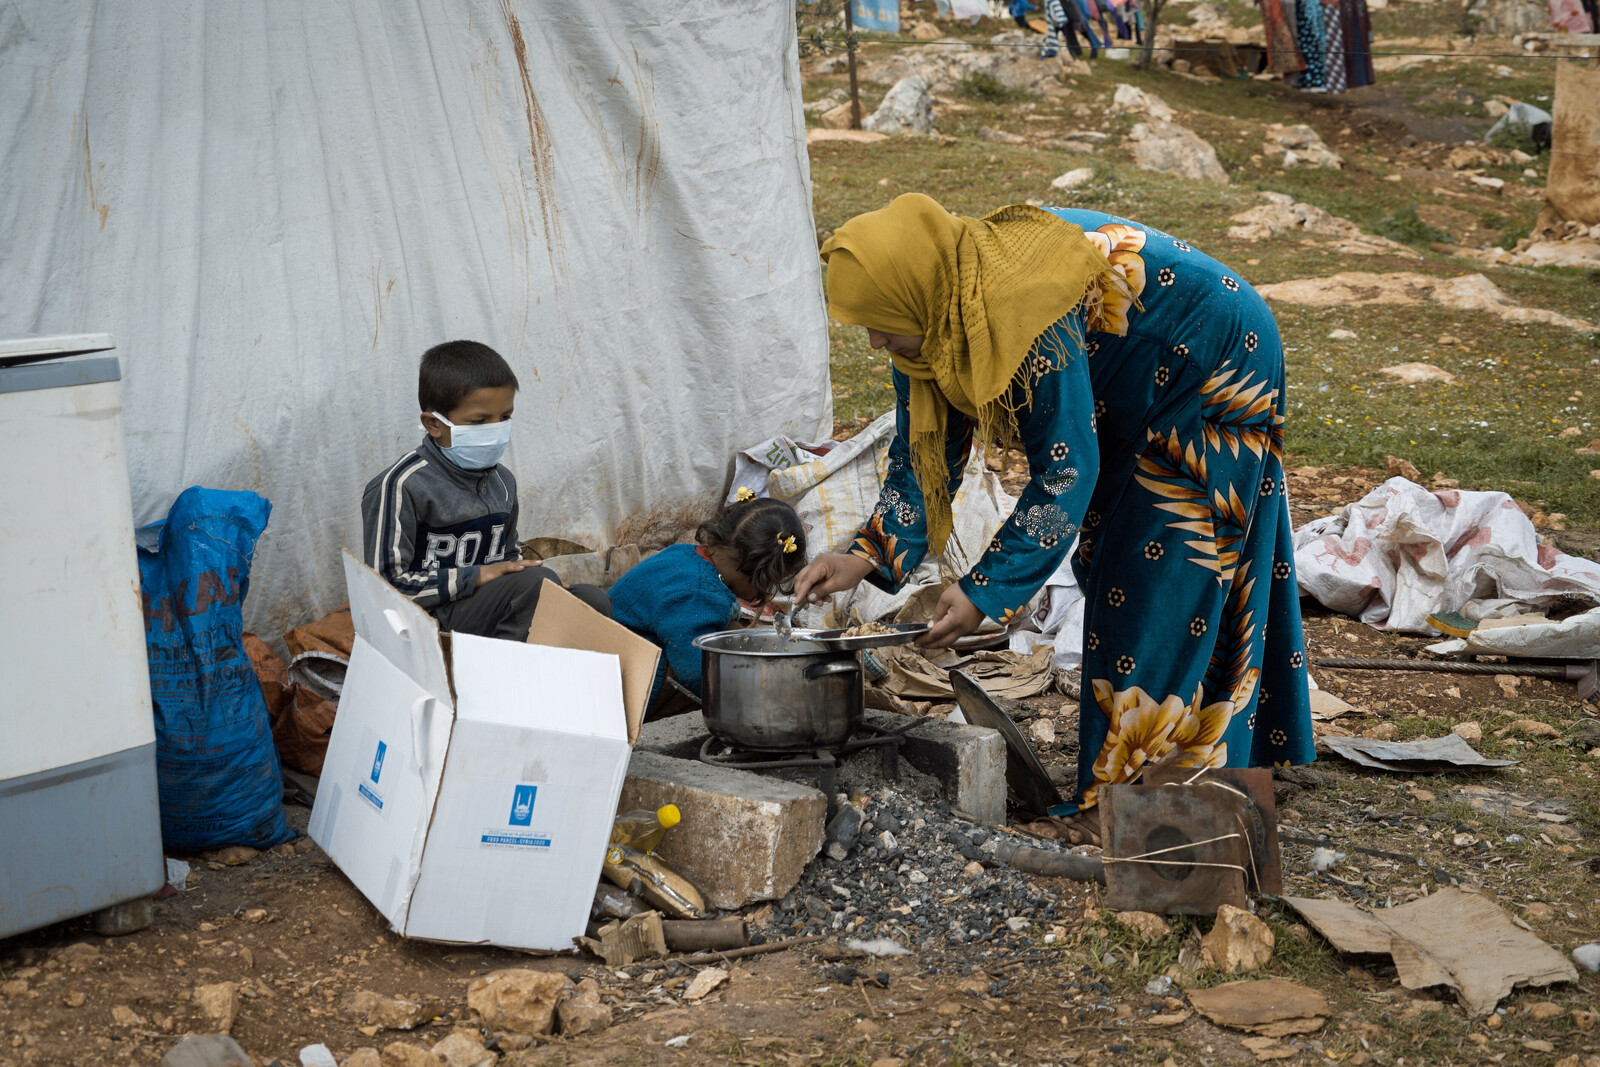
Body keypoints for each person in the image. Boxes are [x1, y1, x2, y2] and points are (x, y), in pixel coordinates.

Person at [793, 194, 1314, 843]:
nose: (874, 340)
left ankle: (1129, 811)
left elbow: (1067, 471)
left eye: (882, 323)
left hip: (1212, 361)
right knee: (1120, 567)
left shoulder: (1020, 305)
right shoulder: (933, 319)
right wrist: (866, 556)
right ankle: (1210, 765)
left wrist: (987, 589)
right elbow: (923, 456)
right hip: (1140, 381)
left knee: (1167, 574)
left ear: (917, 298)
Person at [361, 340, 611, 641]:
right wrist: (477, 576)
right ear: (434, 424)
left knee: (591, 602)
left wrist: (545, 588)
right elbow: (386, 587)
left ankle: (564, 680)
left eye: (504, 418)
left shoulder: (502, 481)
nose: (495, 430)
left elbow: (508, 557)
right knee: (535, 586)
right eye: (479, 421)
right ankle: (500, 679)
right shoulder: (401, 485)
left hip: (486, 608)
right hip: (428, 622)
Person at [610, 495, 807, 709]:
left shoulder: (687, 554)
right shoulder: (697, 593)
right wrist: (756, 698)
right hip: (617, 684)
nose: (765, 593)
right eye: (769, 584)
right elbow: (695, 671)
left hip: (616, 651)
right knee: (719, 667)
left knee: (731, 634)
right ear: (759, 575)